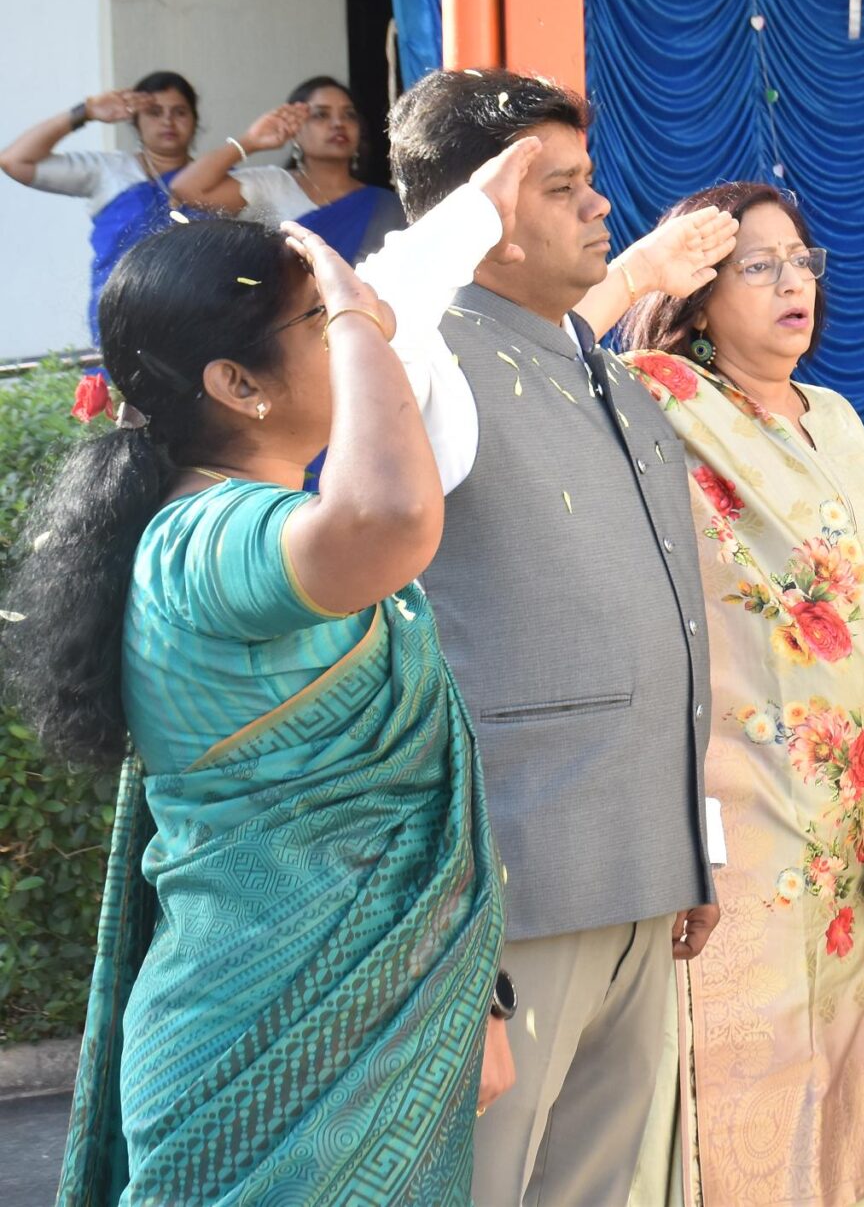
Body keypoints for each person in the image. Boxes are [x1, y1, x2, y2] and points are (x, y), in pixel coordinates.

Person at [5, 205, 516, 1203]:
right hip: (264, 1046)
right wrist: (359, 315)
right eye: (321, 322)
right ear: (238, 385)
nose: (362, 328)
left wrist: (475, 993)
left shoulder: (242, 524)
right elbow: (389, 514)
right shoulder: (211, 536)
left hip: (352, 1020)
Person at [375, 68, 725, 1205]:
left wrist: (694, 839)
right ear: (475, 216)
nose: (599, 205)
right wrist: (460, 220)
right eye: (559, 187)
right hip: (513, 895)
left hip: (643, 872)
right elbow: (367, 318)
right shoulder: (426, 360)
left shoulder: (597, 367)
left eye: (589, 179)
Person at [612, 181, 864, 1207]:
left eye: (801, 261)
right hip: (738, 818)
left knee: (836, 1079)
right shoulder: (659, 397)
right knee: (738, 1076)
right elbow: (532, 367)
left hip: (850, 825)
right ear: (699, 293)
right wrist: (637, 271)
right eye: (757, 267)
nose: (790, 282)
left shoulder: (837, 418)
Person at [0, 72, 199, 336]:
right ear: (135, 122)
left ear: (195, 120)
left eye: (179, 112)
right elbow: (14, 161)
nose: (167, 121)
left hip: (199, 322)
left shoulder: (220, 184)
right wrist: (86, 111)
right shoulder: (109, 171)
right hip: (121, 322)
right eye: (154, 112)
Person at [171, 75, 407, 261]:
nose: (338, 123)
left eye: (349, 115)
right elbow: (186, 188)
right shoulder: (272, 185)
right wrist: (250, 141)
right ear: (295, 130)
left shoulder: (385, 206)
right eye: (321, 115)